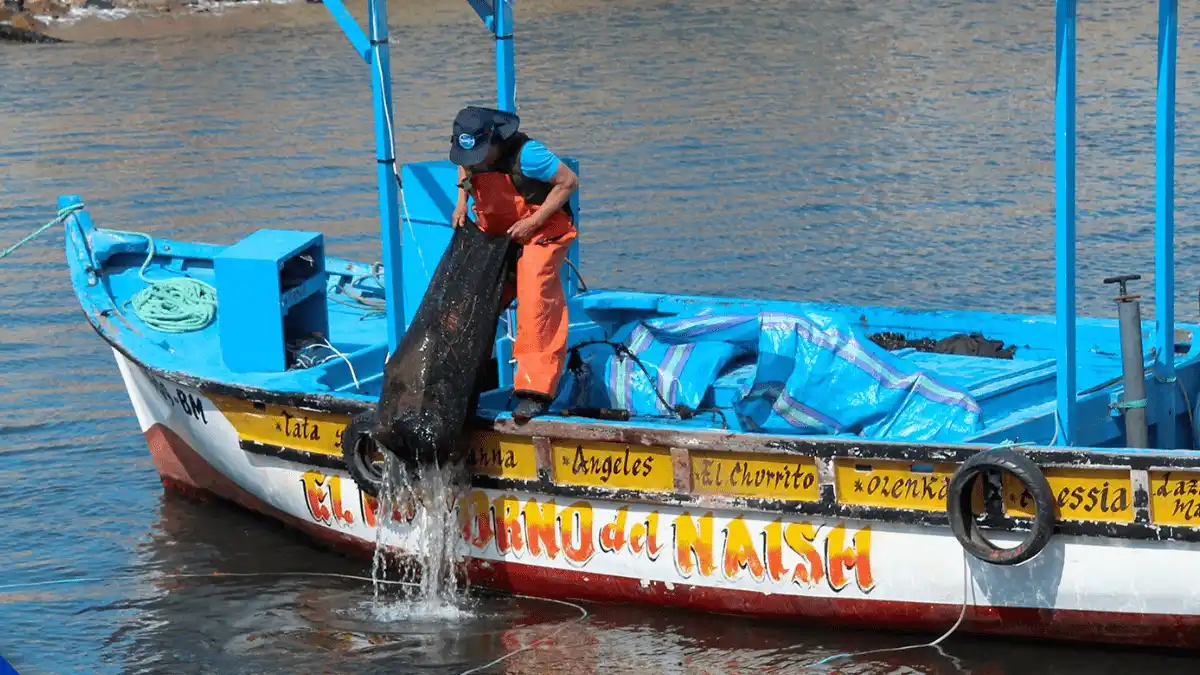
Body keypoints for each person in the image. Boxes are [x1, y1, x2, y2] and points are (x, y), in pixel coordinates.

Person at [448, 105, 580, 422]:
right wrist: (461, 202)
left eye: (481, 153)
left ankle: (535, 390)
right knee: (470, 300)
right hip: (498, 232)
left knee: (535, 300)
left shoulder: (530, 155)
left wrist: (534, 221)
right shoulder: (470, 153)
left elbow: (569, 181)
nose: (475, 161)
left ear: (494, 140)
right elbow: (465, 169)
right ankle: (462, 378)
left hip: (542, 232)